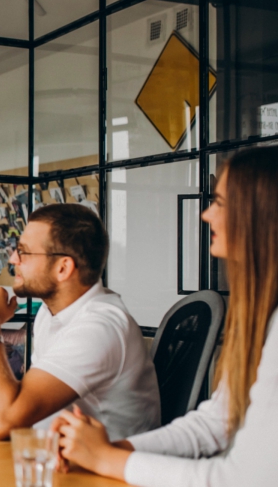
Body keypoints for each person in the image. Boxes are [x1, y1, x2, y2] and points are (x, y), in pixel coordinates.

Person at [53, 147, 278, 486]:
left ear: (259, 215)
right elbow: (214, 424)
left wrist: (107, 458)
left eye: (219, 202)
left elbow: (242, 479)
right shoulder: (261, 317)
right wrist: (106, 450)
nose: (206, 215)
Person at [0, 204, 160, 441]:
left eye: (24, 252)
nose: (13, 259)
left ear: (63, 268)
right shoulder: (52, 314)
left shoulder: (98, 328)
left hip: (99, 475)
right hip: (52, 460)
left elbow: (2, 421)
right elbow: (20, 399)